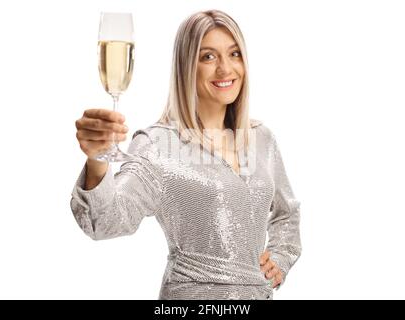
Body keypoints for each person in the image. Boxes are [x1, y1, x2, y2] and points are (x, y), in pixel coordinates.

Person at [71, 9, 301, 300]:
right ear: (186, 66)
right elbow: (106, 222)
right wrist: (97, 158)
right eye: (208, 57)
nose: (225, 69)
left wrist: (280, 258)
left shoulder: (262, 139)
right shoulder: (158, 144)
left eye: (234, 54)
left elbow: (287, 213)